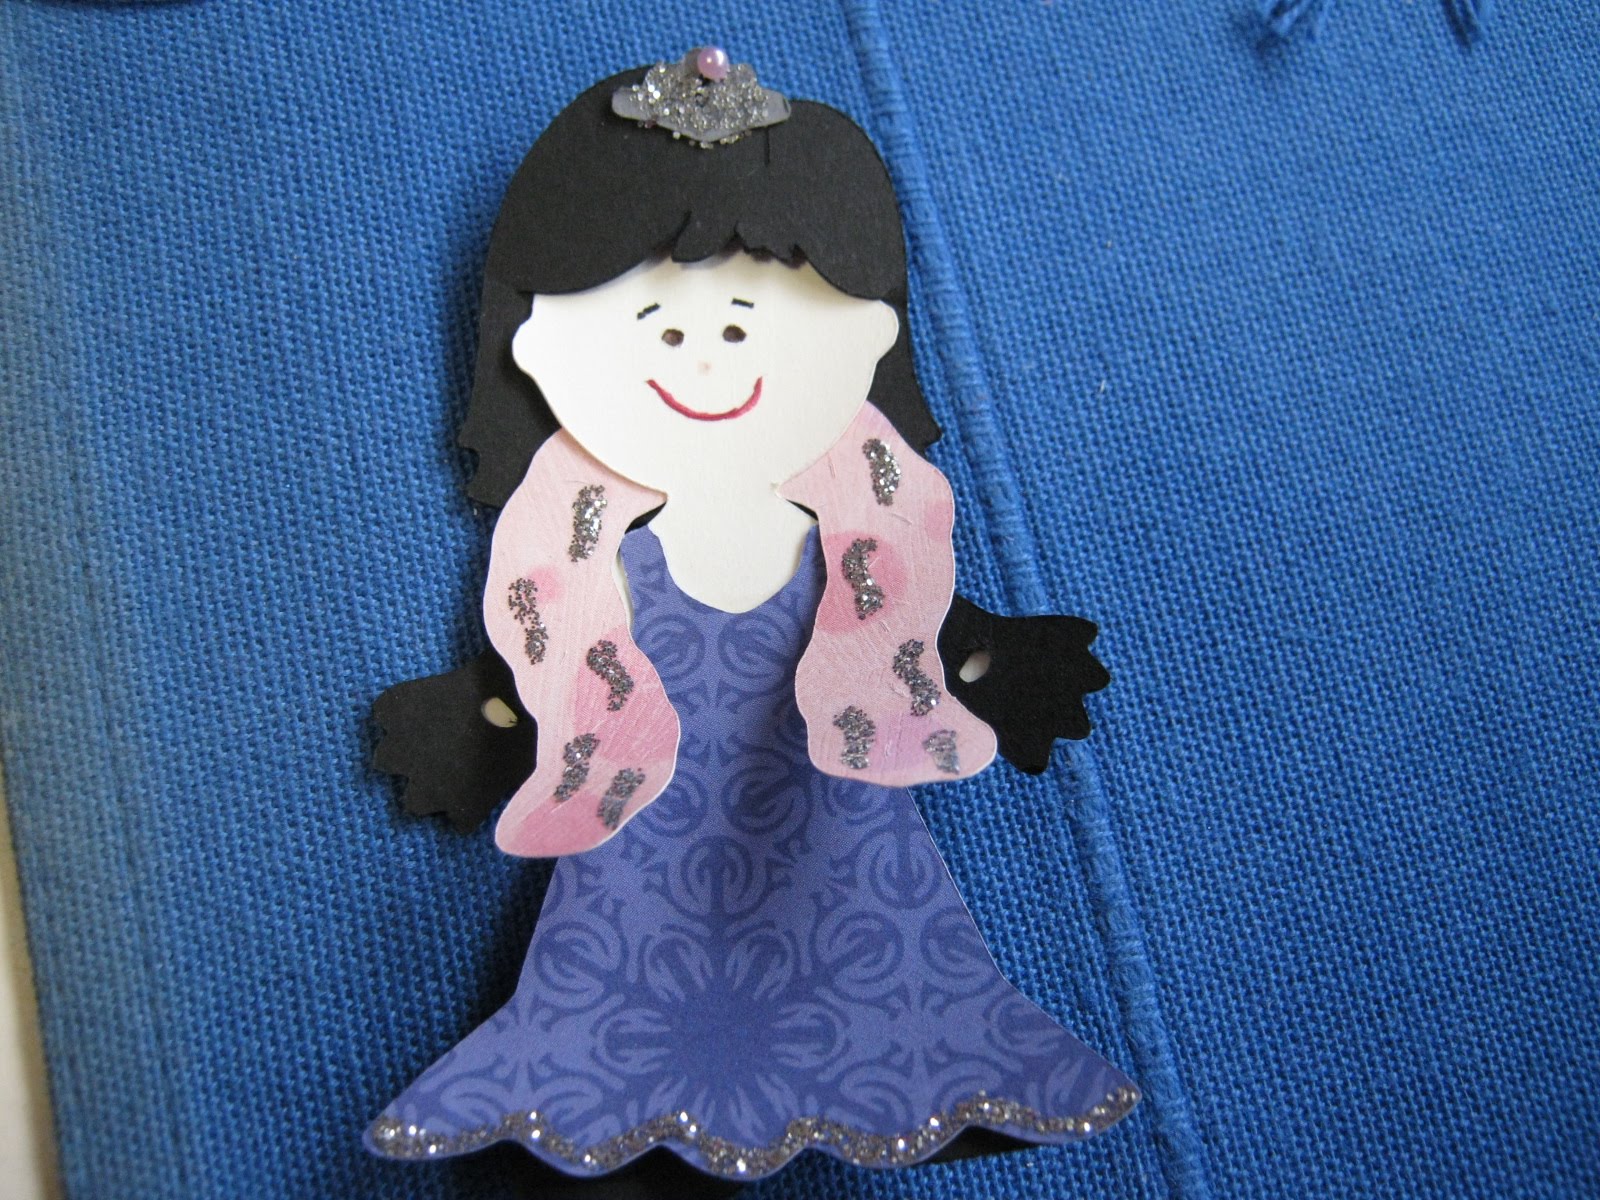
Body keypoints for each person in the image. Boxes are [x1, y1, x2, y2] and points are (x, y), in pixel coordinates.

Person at [367, 52, 1135, 1184]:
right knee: (617, 1009)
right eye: (654, 323)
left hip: (838, 850)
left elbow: (914, 633)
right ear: (535, 347)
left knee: (873, 979)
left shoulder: (873, 534)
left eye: (743, 323)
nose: (704, 356)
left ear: (870, 337)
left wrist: (992, 667)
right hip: (638, 861)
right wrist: (473, 724)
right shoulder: (575, 557)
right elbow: (542, 660)